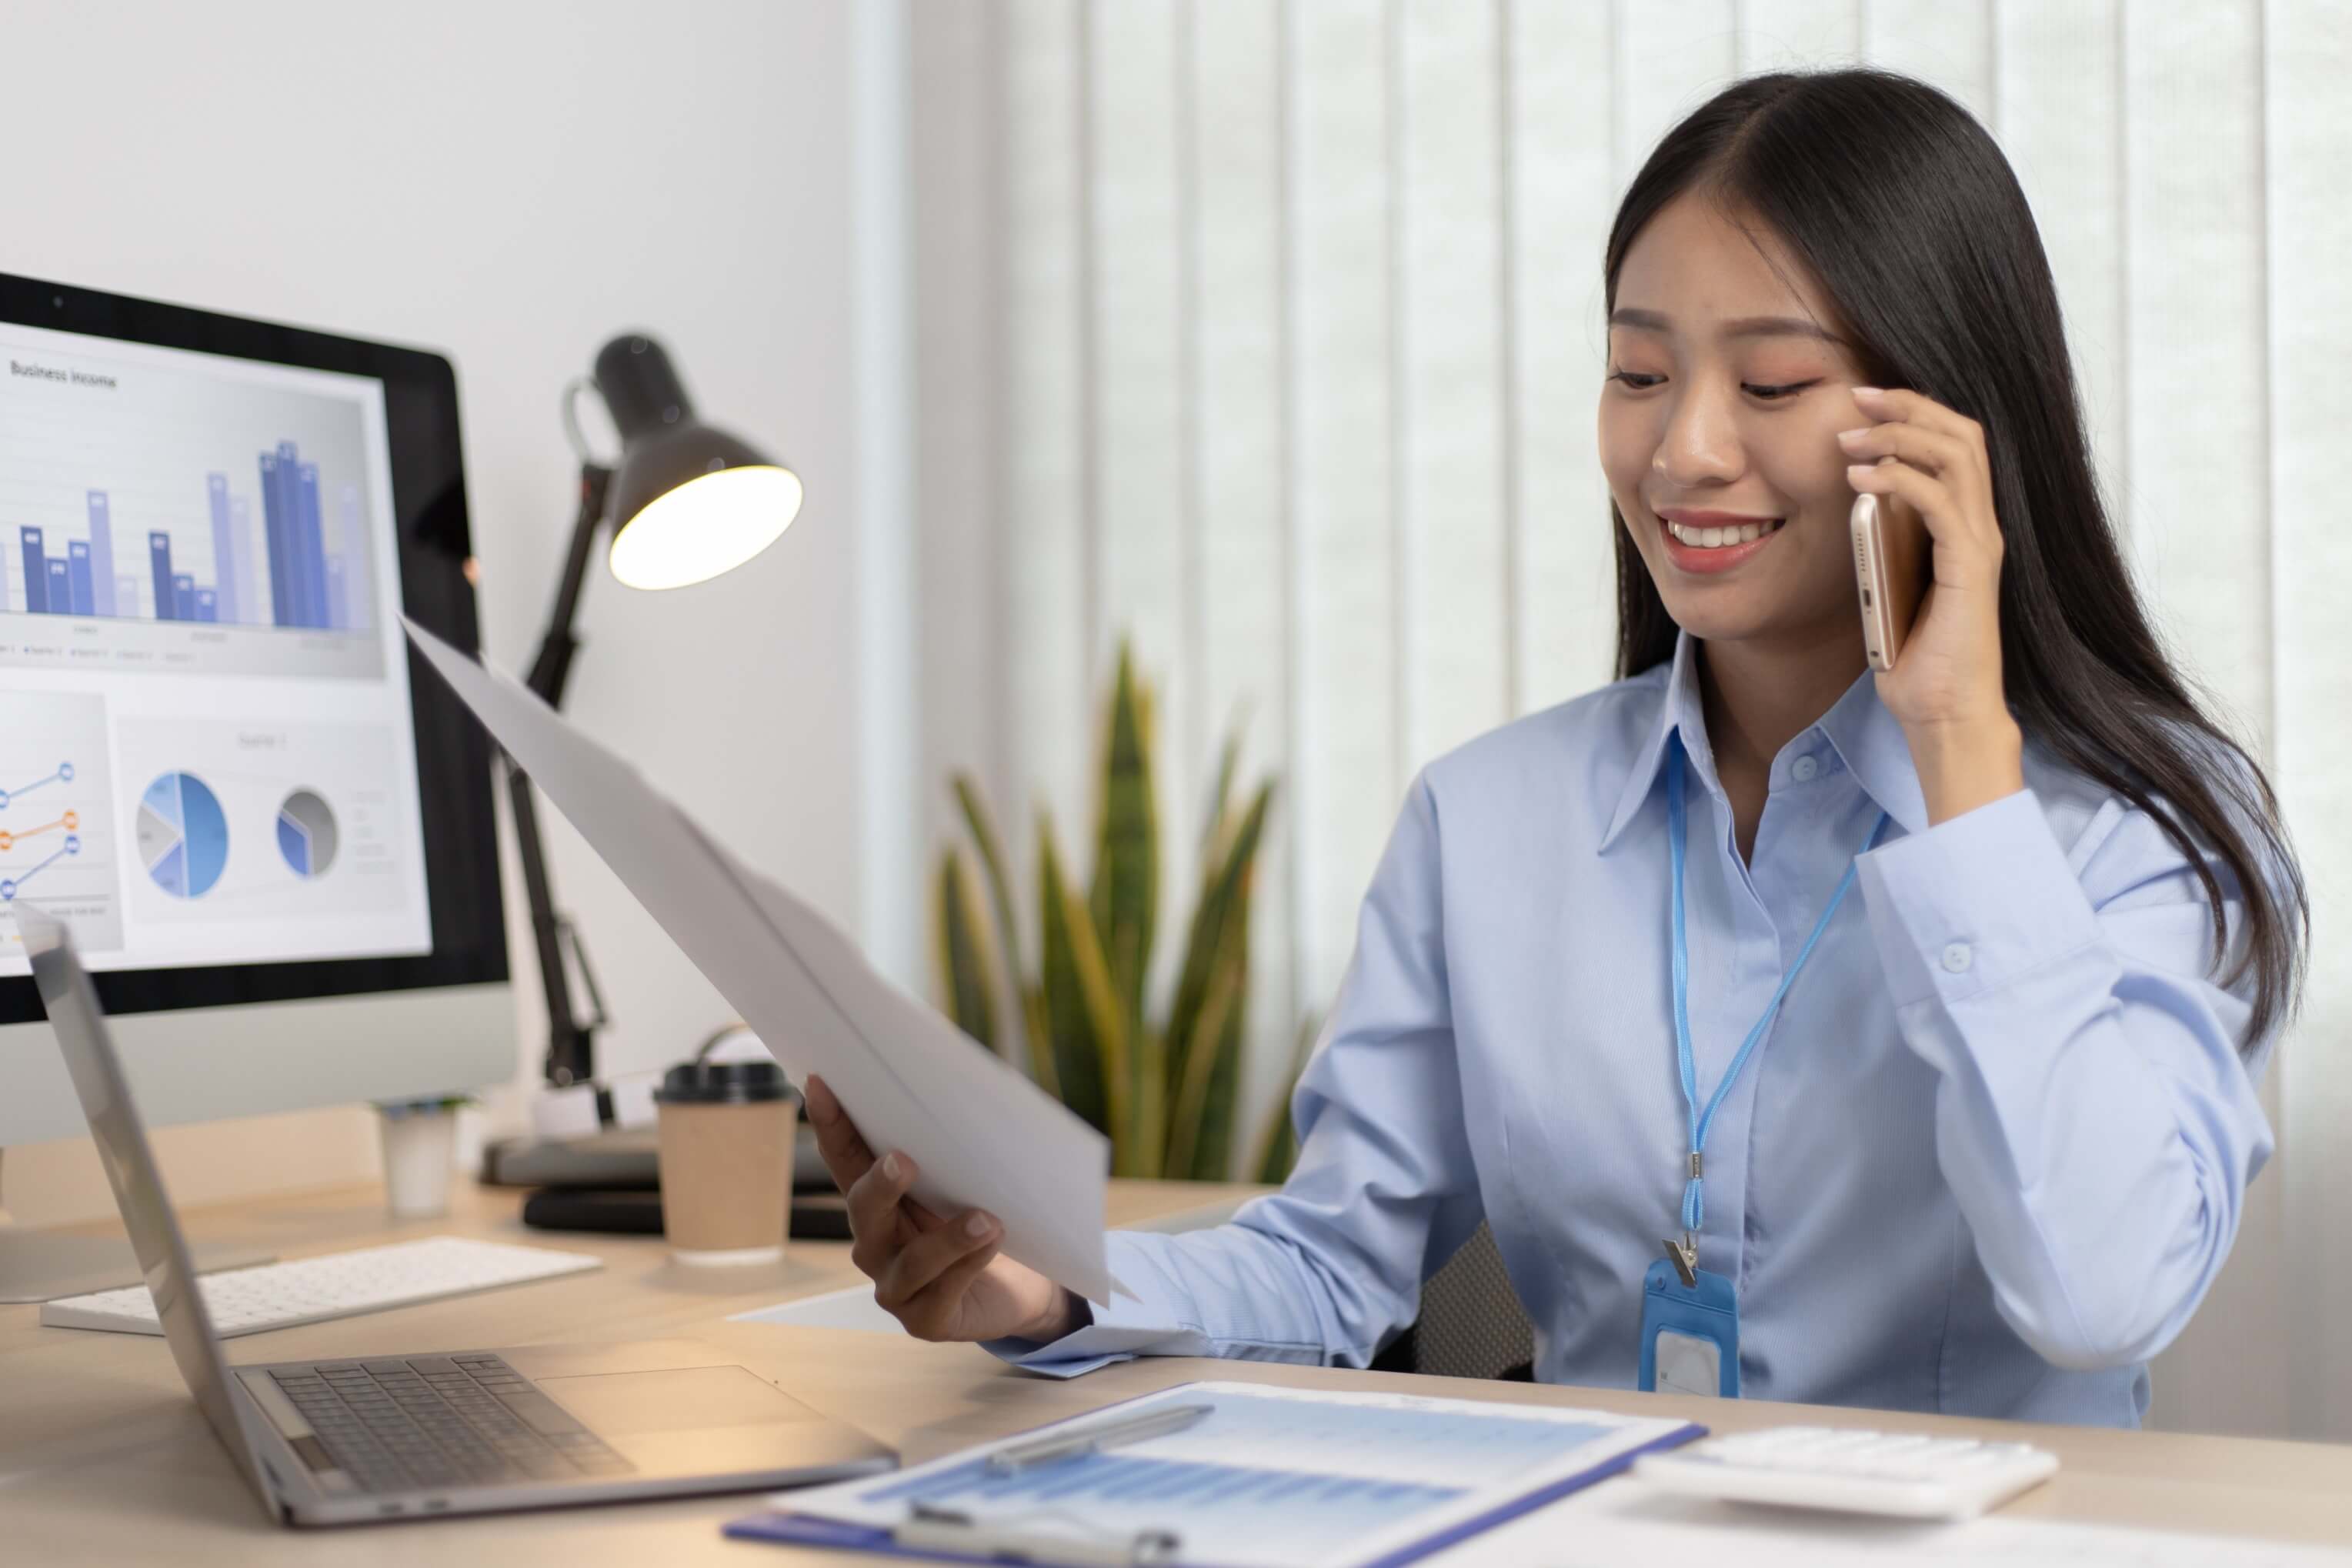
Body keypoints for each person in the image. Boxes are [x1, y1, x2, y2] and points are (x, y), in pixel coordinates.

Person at [806, 65, 2307, 1428]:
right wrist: (1041, 1292)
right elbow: (1331, 1262)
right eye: (1639, 373)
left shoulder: (2140, 825)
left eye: (1770, 384)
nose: (1680, 451)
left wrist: (1960, 752)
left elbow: (2099, 1292)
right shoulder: (1487, 818)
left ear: (1942, 426)